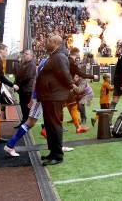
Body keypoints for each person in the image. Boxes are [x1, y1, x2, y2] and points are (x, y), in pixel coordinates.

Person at [4, 57, 74, 157]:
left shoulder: (44, 61)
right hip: (43, 98)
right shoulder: (51, 63)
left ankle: (57, 146)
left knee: (52, 122)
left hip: (44, 97)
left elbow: (36, 81)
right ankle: (10, 145)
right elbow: (40, 81)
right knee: (31, 122)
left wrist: (33, 97)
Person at [36, 35, 76, 165]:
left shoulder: (58, 56)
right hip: (50, 96)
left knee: (54, 125)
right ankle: (53, 152)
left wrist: (71, 86)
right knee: (49, 125)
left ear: (55, 43)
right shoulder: (54, 55)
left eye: (48, 41)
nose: (46, 43)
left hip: (54, 96)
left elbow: (65, 74)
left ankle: (57, 156)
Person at [15, 49, 37, 126]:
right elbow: (18, 75)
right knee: (22, 106)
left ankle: (26, 123)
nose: (25, 55)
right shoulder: (23, 63)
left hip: (27, 89)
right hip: (22, 89)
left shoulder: (31, 64)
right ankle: (24, 121)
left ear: (31, 55)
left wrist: (18, 85)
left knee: (26, 107)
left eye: (27, 54)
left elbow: (27, 77)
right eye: (24, 54)